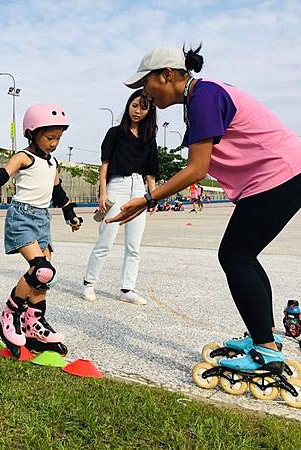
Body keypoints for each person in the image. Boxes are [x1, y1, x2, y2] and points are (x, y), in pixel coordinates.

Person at [113, 45, 301, 380]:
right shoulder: (202, 96)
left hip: (279, 175)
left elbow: (197, 169)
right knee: (243, 255)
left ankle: (266, 352)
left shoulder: (204, 97)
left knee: (235, 256)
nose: (145, 95)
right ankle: (265, 335)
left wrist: (147, 198)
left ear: (167, 75)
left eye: (146, 85)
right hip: (280, 175)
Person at [0, 104, 82, 358]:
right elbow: (2, 174)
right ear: (32, 133)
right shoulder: (24, 157)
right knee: (42, 270)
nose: (54, 143)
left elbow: (57, 192)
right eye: (49, 137)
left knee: (42, 277)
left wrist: (70, 215)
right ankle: (9, 315)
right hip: (22, 216)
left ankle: (33, 324)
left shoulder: (52, 163)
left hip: (42, 219)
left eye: (58, 138)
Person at [82, 89, 159, 305]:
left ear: (149, 111)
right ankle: (89, 283)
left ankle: (127, 289)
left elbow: (151, 172)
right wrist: (103, 193)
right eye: (134, 105)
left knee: (134, 245)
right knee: (106, 239)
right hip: (117, 186)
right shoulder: (114, 133)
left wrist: (151, 197)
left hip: (139, 189)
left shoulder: (149, 138)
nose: (137, 111)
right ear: (128, 105)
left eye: (143, 107)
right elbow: (105, 164)